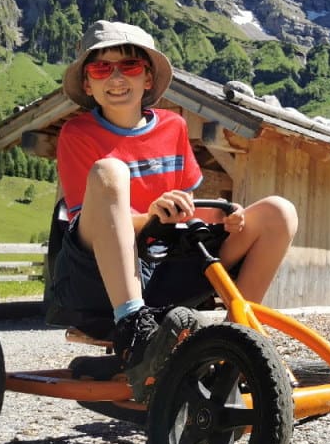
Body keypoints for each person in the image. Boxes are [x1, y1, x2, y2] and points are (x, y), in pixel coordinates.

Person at [48, 19, 298, 380]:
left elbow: (186, 208)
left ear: (147, 79)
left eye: (129, 67)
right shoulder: (77, 133)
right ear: (88, 82)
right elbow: (88, 219)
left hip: (165, 266)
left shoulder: (173, 126)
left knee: (279, 211)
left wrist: (225, 219)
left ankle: (237, 343)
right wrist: (150, 216)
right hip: (96, 275)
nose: (116, 79)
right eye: (102, 68)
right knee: (109, 172)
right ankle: (133, 328)